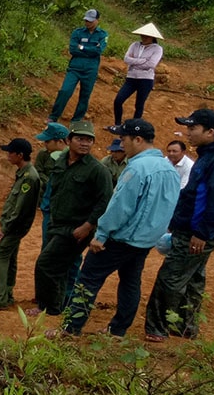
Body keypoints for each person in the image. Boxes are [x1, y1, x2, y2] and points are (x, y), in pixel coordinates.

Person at [57, 119, 179, 337]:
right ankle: (118, 329)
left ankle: (70, 328)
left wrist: (102, 234)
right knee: (131, 282)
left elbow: (120, 207)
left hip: (123, 238)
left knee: (88, 279)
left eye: (124, 139)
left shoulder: (137, 169)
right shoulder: (167, 168)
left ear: (138, 139)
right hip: (146, 240)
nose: (122, 144)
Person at [143, 109, 214, 342]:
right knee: (194, 278)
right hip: (194, 230)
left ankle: (157, 328)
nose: (188, 133)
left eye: (193, 128)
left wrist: (201, 232)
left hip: (196, 233)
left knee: (170, 277)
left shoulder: (212, 159)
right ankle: (186, 327)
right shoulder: (206, 156)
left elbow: (212, 199)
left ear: (211, 132)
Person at [29, 121, 113, 317]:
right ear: (69, 140)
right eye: (80, 139)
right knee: (58, 266)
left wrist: (88, 225)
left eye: (89, 140)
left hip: (76, 228)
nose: (85, 143)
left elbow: (105, 202)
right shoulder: (61, 162)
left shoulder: (97, 170)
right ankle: (57, 306)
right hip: (56, 224)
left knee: (47, 264)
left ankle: (50, 308)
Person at [0, 139, 40, 311]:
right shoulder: (24, 173)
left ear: (20, 155)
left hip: (15, 227)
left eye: (10, 152)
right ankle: (6, 295)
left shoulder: (29, 177)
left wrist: (4, 229)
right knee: (9, 257)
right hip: (15, 226)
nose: (8, 155)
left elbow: (20, 209)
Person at [49, 9, 108, 124]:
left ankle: (76, 120)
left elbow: (98, 51)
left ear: (97, 20)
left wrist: (82, 47)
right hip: (75, 68)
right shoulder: (77, 32)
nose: (87, 23)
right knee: (65, 91)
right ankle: (53, 116)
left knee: (85, 96)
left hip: (90, 70)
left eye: (90, 21)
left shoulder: (103, 34)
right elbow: (72, 49)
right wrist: (89, 50)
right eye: (86, 20)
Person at [107, 22, 163, 130]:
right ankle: (117, 124)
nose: (144, 37)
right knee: (118, 100)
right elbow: (126, 59)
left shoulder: (157, 49)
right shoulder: (135, 45)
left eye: (147, 36)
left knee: (139, 105)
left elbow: (151, 64)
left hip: (146, 80)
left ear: (152, 37)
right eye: (142, 35)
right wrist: (142, 61)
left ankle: (133, 128)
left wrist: (134, 62)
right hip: (131, 78)